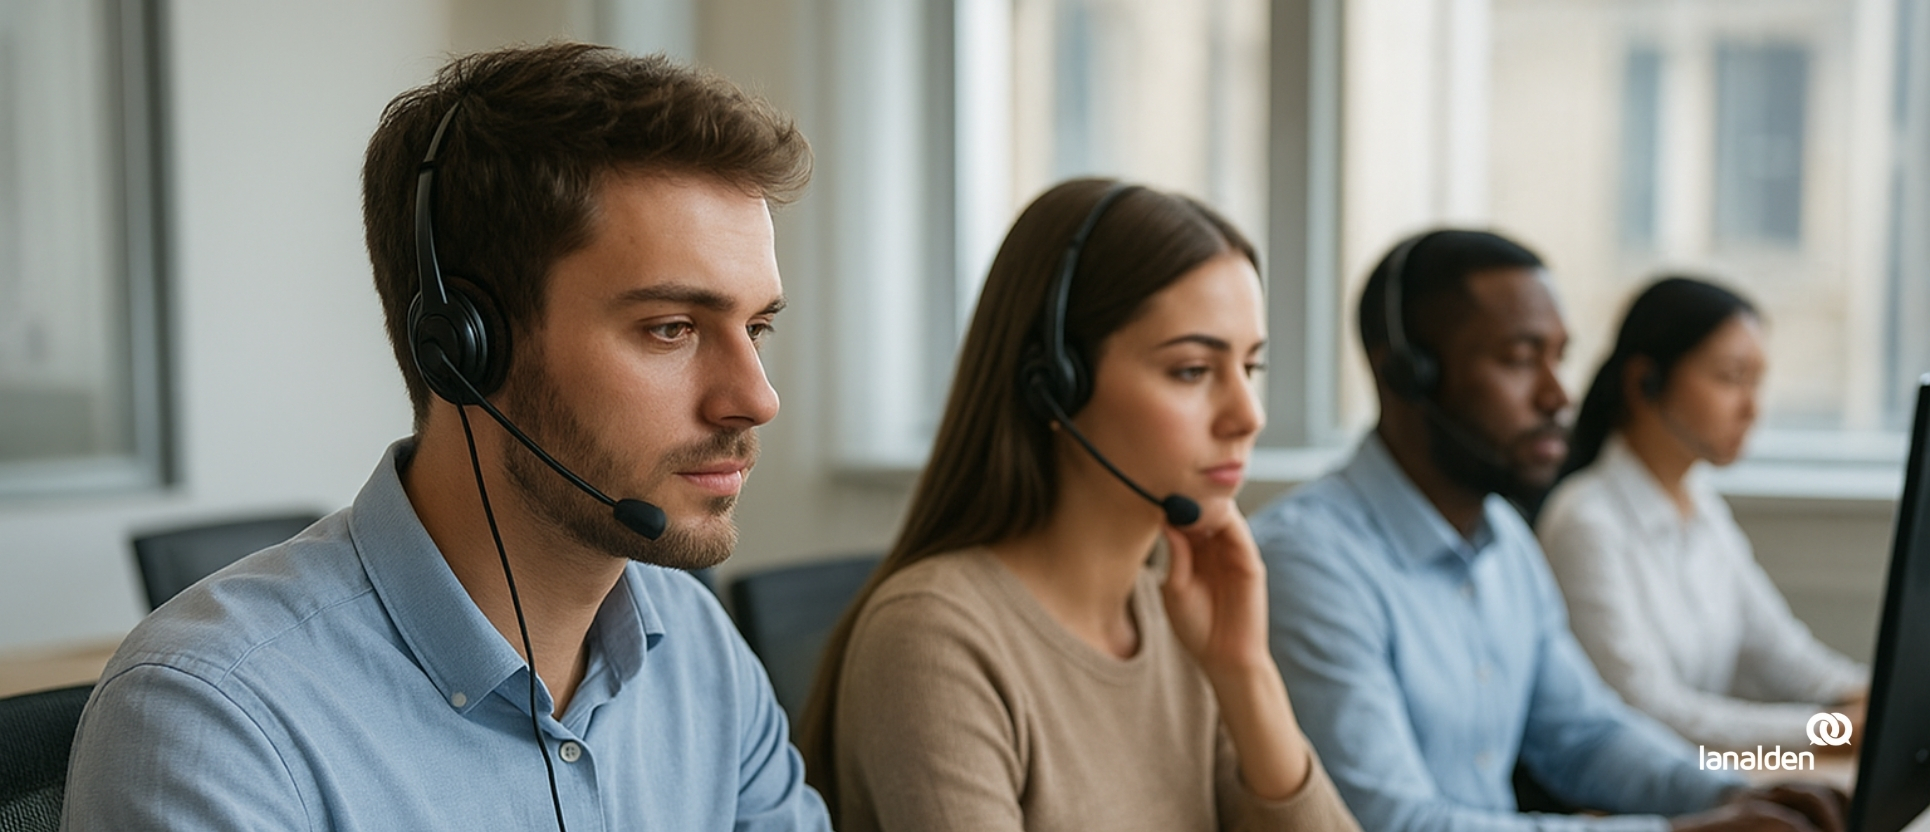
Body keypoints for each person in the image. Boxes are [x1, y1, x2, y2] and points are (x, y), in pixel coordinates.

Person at [62, 44, 829, 830]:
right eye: (671, 329)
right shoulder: (216, 717)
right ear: (463, 346)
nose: (756, 399)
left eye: (757, 326)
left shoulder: (697, 649)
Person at [796, 179, 1360, 832]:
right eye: (1192, 371)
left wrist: (1246, 673)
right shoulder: (934, 638)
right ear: (1053, 384)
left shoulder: (1179, 618)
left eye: (1250, 368)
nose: (1247, 416)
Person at [1248, 230, 1850, 832]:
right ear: (1407, 376)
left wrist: (1738, 796)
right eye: (1518, 359)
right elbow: (1393, 824)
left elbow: (1585, 736)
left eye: (1558, 358)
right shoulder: (1309, 563)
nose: (1557, 394)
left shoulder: (1504, 540)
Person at [1535, 276, 1868, 752]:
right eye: (1731, 378)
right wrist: (1830, 732)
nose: (1752, 408)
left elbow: (1787, 658)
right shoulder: (1587, 522)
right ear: (1643, 382)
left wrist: (1881, 699)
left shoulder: (1702, 506)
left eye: (1757, 383)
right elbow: (1648, 712)